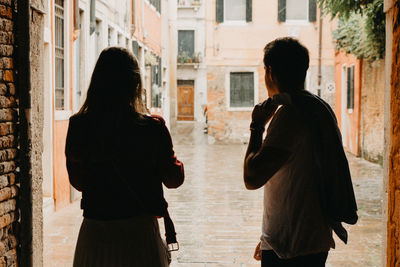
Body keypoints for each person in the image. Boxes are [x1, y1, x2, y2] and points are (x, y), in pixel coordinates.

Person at [65, 47, 184, 267]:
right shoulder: (152, 128)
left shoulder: (79, 126)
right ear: (135, 84)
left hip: (96, 234)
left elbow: (78, 183)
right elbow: (174, 179)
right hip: (139, 235)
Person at [243, 38, 357, 267]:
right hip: (310, 238)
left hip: (291, 247)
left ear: (270, 71)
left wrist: (257, 127)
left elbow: (252, 178)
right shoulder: (318, 107)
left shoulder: (291, 114)